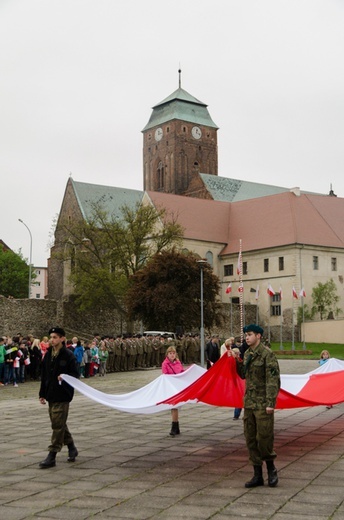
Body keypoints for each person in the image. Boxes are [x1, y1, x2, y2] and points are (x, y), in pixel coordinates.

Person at [229, 324, 280, 488]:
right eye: (246, 335)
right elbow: (243, 374)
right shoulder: (248, 353)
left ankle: (271, 470)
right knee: (250, 439)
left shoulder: (267, 355)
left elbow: (273, 381)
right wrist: (235, 360)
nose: (246, 337)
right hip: (249, 404)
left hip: (263, 404)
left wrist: (270, 403)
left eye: (250, 334)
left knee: (264, 439)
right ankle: (257, 475)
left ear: (259, 336)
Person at [38, 327, 79, 469]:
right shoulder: (48, 354)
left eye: (55, 337)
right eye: (51, 337)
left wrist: (65, 377)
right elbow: (44, 376)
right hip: (51, 394)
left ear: (62, 338)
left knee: (57, 425)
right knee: (59, 423)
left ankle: (52, 455)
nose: (52, 339)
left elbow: (75, 374)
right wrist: (42, 393)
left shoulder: (68, 355)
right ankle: (72, 447)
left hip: (63, 394)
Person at [161, 346, 184, 436]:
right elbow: (165, 375)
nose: (172, 355)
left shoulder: (178, 363)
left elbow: (182, 372)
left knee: (176, 407)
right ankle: (174, 427)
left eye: (173, 353)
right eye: (170, 353)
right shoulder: (165, 364)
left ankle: (176, 426)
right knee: (174, 407)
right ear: (167, 354)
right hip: (170, 388)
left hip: (178, 387)